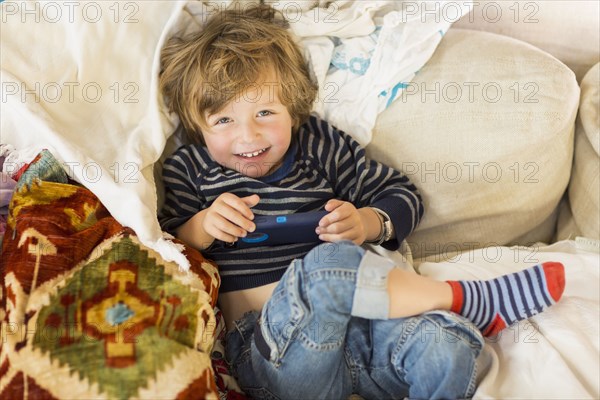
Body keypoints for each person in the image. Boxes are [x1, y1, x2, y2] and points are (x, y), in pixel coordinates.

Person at [158, 5, 565, 399]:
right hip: (275, 355)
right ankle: (463, 298)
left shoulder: (319, 145)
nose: (247, 136)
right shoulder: (191, 168)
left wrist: (367, 223)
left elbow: (402, 196)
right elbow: (161, 244)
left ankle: (451, 317)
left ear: (294, 109)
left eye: (265, 112)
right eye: (223, 120)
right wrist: (202, 226)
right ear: (198, 125)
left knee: (446, 344)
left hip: (364, 337)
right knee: (325, 266)